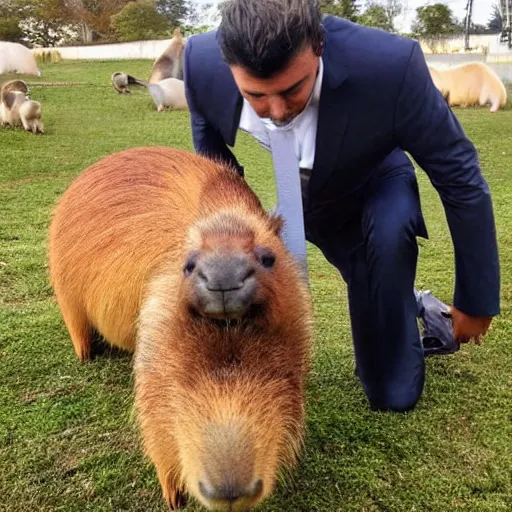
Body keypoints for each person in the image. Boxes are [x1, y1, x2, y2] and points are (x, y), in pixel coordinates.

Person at [182, 0, 500, 412]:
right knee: (252, 285)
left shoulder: (391, 66)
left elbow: (460, 177)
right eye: (256, 96)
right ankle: (402, 298)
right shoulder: (200, 63)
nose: (277, 113)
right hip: (295, 191)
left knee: (392, 395)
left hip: (376, 186)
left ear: (319, 46)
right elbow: (213, 165)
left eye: (293, 89)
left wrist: (476, 300)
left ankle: (416, 305)